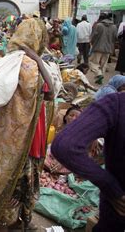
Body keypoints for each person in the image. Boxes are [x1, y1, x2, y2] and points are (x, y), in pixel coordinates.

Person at [0, 18, 54, 232]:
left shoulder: (8, 60)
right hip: (29, 132)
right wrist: (39, 60)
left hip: (7, 131)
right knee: (22, 177)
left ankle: (5, 220)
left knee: (7, 173)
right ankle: (13, 222)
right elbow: (50, 93)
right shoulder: (30, 65)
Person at [52, 93, 125, 231]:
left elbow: (65, 145)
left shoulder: (117, 104)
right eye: (71, 116)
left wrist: (110, 186)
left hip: (116, 210)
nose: (73, 118)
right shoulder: (117, 106)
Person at [90, 13, 117, 85]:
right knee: (103, 64)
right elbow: (115, 38)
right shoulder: (114, 27)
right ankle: (99, 79)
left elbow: (94, 36)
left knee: (93, 62)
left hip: (98, 47)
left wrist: (92, 42)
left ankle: (99, 74)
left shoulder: (99, 25)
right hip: (108, 48)